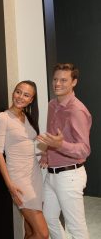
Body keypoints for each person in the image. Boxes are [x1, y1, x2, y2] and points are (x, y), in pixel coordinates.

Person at [37, 63, 91, 239]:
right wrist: (46, 153)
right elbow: (52, 135)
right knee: (49, 218)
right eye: (55, 79)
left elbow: (84, 150)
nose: (57, 84)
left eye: (63, 80)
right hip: (52, 175)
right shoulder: (52, 104)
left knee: (76, 228)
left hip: (70, 176)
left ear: (74, 82)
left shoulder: (77, 110)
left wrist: (61, 145)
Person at [0, 80, 49, 239]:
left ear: (31, 100)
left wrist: (44, 152)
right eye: (18, 92)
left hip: (34, 175)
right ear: (13, 92)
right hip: (19, 178)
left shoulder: (27, 117)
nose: (20, 97)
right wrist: (10, 185)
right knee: (43, 234)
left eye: (26, 95)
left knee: (31, 231)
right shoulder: (3, 117)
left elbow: (29, 144)